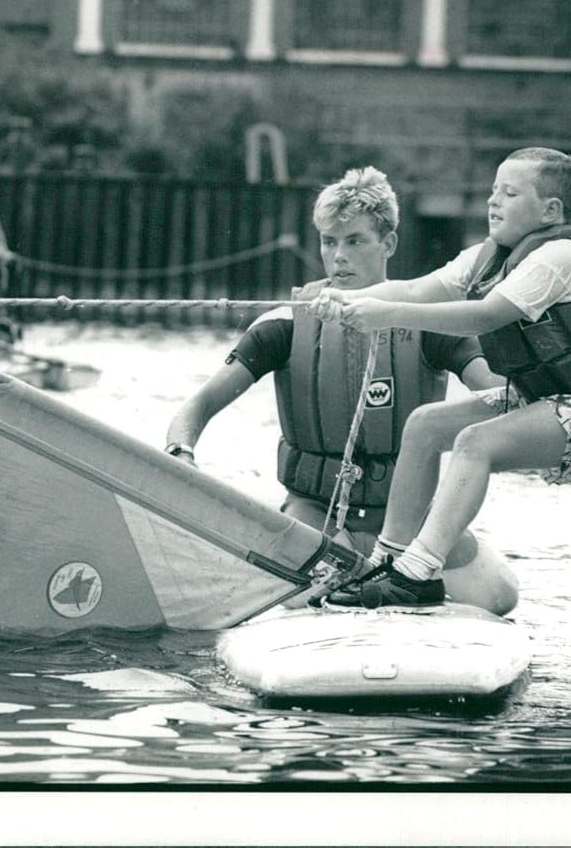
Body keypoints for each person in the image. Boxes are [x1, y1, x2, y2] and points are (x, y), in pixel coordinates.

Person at [309, 147, 571, 608]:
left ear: (550, 211)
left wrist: (382, 314)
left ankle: (417, 574)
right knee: (425, 425)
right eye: (493, 190)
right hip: (547, 396)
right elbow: (416, 290)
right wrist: (346, 299)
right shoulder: (488, 257)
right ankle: (386, 565)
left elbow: (485, 317)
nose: (493, 201)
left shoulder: (561, 256)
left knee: (477, 442)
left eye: (510, 193)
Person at [164, 167, 520, 615]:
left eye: (354, 241)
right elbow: (198, 407)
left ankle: (399, 582)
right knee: (288, 603)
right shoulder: (282, 325)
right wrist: (181, 452)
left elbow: (496, 394)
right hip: (316, 515)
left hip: (408, 521)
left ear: (387, 244)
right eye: (329, 242)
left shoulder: (432, 325)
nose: (338, 258)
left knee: (500, 598)